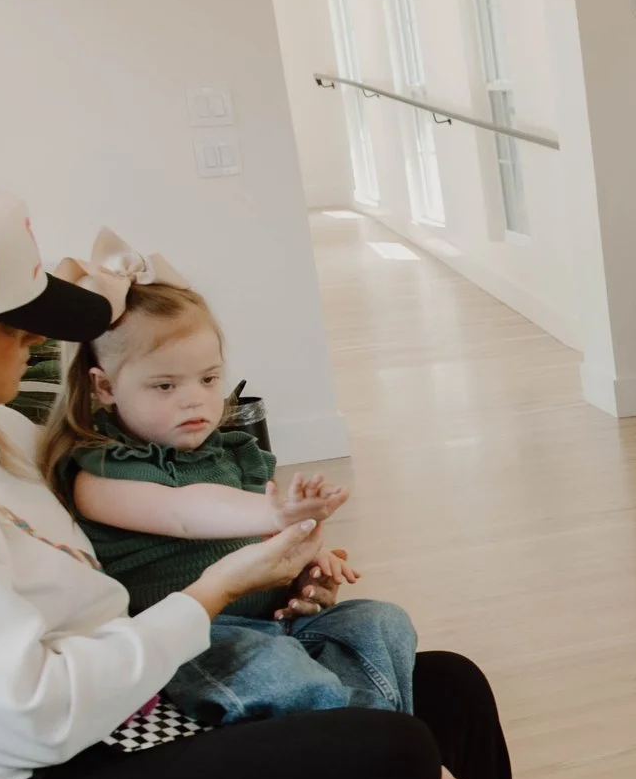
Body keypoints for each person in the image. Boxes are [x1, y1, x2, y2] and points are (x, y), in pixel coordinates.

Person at [0, 174, 531, 779]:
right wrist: (216, 590)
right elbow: (37, 713)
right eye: (16, 326)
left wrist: (277, 585)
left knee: (450, 688)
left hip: (102, 728)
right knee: (394, 752)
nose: (37, 342)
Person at [38, 230, 423, 730]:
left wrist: (307, 558)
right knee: (276, 668)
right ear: (105, 386)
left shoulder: (235, 452)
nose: (194, 398)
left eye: (208, 378)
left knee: (380, 620)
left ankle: (378, 734)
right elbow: (185, 511)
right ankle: (374, 739)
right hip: (198, 640)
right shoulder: (99, 472)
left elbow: (260, 542)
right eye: (165, 385)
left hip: (275, 623)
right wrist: (275, 513)